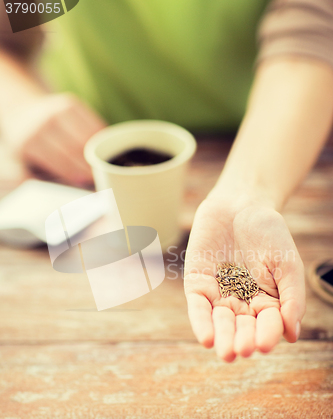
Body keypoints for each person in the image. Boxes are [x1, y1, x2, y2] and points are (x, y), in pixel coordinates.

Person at [1, 0, 333, 362]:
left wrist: (247, 195)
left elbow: (312, 28)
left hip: (269, 137)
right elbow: (11, 23)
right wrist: (18, 103)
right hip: (82, 141)